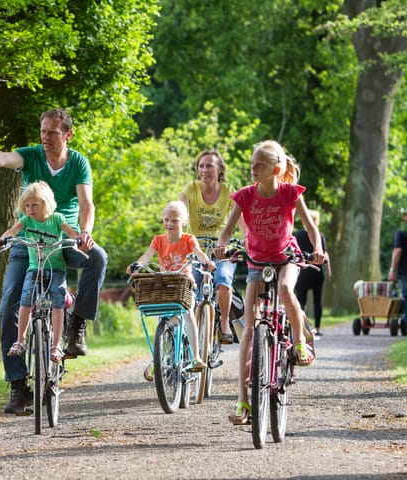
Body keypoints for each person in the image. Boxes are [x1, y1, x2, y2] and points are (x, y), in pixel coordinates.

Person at [0, 108, 108, 415]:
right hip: (30, 242)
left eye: (52, 132)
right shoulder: (32, 155)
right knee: (9, 304)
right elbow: (1, 158)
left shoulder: (77, 162)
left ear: (67, 134)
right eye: (42, 131)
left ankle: (76, 323)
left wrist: (85, 233)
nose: (45, 138)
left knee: (98, 258)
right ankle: (18, 385)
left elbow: (87, 204)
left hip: (64, 238)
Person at [215, 139, 325, 425]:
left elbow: (310, 228)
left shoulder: (290, 193)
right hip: (256, 261)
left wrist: (318, 249)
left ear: (275, 169)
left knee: (287, 290)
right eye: (252, 163)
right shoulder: (244, 196)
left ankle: (300, 342)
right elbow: (226, 231)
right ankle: (242, 400)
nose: (253, 168)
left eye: (259, 165)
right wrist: (222, 247)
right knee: (250, 329)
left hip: (286, 257)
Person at [0, 181, 80, 364]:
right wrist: (3, 239)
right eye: (26, 205)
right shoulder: (26, 221)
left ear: (46, 204)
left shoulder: (56, 219)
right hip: (34, 269)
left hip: (55, 268)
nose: (30, 209)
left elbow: (70, 232)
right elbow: (13, 230)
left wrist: (77, 239)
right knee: (25, 300)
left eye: (35, 205)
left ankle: (56, 345)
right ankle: (20, 340)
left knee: (57, 303)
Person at [126, 200, 214, 371]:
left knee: (188, 313)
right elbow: (146, 257)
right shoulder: (158, 240)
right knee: (163, 319)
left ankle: (195, 357)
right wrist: (136, 265)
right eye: (166, 219)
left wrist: (207, 262)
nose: (169, 224)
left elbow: (199, 253)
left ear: (183, 222)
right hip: (165, 285)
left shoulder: (188, 239)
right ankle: (159, 360)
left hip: (184, 285)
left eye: (174, 220)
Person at [180, 150, 246, 345]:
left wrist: (247, 239)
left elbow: (240, 220)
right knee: (192, 289)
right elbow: (181, 211)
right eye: (201, 165)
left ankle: (225, 325)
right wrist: (177, 227)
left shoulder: (228, 191)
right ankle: (189, 336)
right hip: (196, 252)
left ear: (219, 170)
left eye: (209, 165)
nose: (204, 169)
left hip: (221, 251)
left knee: (223, 281)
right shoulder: (191, 189)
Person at [294, 209, 331, 337]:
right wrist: (328, 270)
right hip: (316, 271)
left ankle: (302, 328)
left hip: (302, 271)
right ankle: (317, 327)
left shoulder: (297, 235)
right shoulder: (319, 235)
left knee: (300, 301)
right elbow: (325, 254)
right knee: (317, 301)